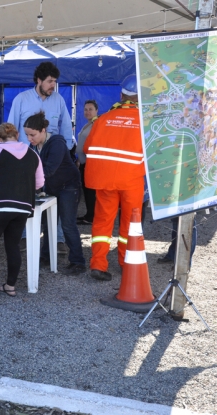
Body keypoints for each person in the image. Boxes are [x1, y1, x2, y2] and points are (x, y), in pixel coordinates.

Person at [84, 75, 145, 281]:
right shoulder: (146, 121)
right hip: (132, 180)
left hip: (105, 180)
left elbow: (86, 148)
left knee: (102, 222)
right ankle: (127, 263)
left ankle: (98, 265)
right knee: (130, 223)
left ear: (121, 95)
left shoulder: (102, 119)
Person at [6, 61, 71, 254]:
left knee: (54, 194)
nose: (53, 85)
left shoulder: (59, 100)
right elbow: (11, 129)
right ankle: (25, 236)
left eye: (55, 81)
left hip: (52, 155)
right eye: (50, 81)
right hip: (25, 156)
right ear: (39, 80)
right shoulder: (21, 99)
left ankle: (56, 239)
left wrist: (64, 152)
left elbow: (66, 129)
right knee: (26, 195)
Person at [0, 123, 44, 302]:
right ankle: (10, 285)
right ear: (17, 136)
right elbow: (39, 184)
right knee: (13, 245)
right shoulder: (33, 154)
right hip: (23, 206)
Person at [23, 112, 86, 275]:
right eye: (27, 135)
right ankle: (46, 256)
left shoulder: (57, 143)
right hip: (51, 188)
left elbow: (48, 170)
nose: (29, 139)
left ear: (43, 130)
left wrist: (25, 176)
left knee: (67, 224)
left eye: (32, 135)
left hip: (68, 186)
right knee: (48, 222)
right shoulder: (35, 145)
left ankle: (78, 261)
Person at [76, 100, 99, 225]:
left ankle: (91, 217)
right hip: (83, 163)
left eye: (90, 109)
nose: (87, 112)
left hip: (91, 163)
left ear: (96, 111)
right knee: (86, 190)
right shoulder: (87, 124)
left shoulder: (96, 124)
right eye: (85, 109)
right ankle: (89, 214)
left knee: (90, 191)